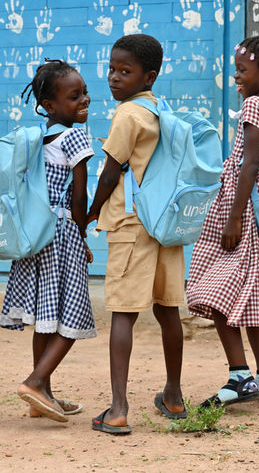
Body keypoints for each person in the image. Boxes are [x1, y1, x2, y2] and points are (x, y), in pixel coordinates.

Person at [87, 34, 186, 435]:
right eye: (111, 69)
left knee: (124, 313)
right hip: (165, 223)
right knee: (168, 311)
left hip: (132, 224)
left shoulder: (128, 114)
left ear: (149, 76)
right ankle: (174, 397)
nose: (114, 78)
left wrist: (90, 213)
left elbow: (112, 171)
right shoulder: (162, 111)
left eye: (124, 72)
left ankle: (118, 408)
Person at [186, 36, 259, 408]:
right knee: (250, 297)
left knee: (211, 293)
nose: (236, 77)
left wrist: (232, 221)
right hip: (256, 214)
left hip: (238, 213)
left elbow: (250, 165)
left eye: (243, 70)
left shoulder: (253, 107)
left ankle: (239, 375)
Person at [0, 59, 96, 423]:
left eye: (85, 92)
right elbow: (80, 194)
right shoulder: (75, 136)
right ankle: (35, 381)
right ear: (50, 105)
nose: (85, 100)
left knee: (45, 318)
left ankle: (43, 395)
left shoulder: (38, 137)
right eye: (75, 96)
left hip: (36, 235)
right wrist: (82, 231)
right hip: (62, 230)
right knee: (72, 315)